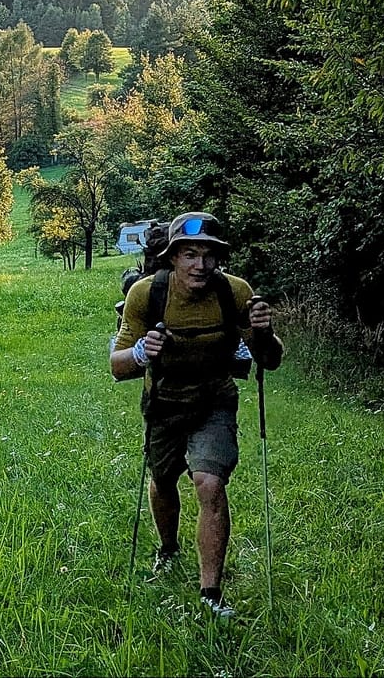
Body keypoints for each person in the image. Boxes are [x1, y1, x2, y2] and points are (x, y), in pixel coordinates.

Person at [109, 211, 282, 618]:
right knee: (163, 480)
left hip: (214, 400)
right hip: (164, 403)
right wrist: (141, 352)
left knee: (210, 483)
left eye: (208, 255)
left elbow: (269, 360)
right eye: (189, 254)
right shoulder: (146, 294)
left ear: (219, 258)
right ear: (173, 257)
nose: (200, 265)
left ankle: (210, 593)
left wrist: (263, 332)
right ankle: (168, 548)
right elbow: (117, 367)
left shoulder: (235, 292)